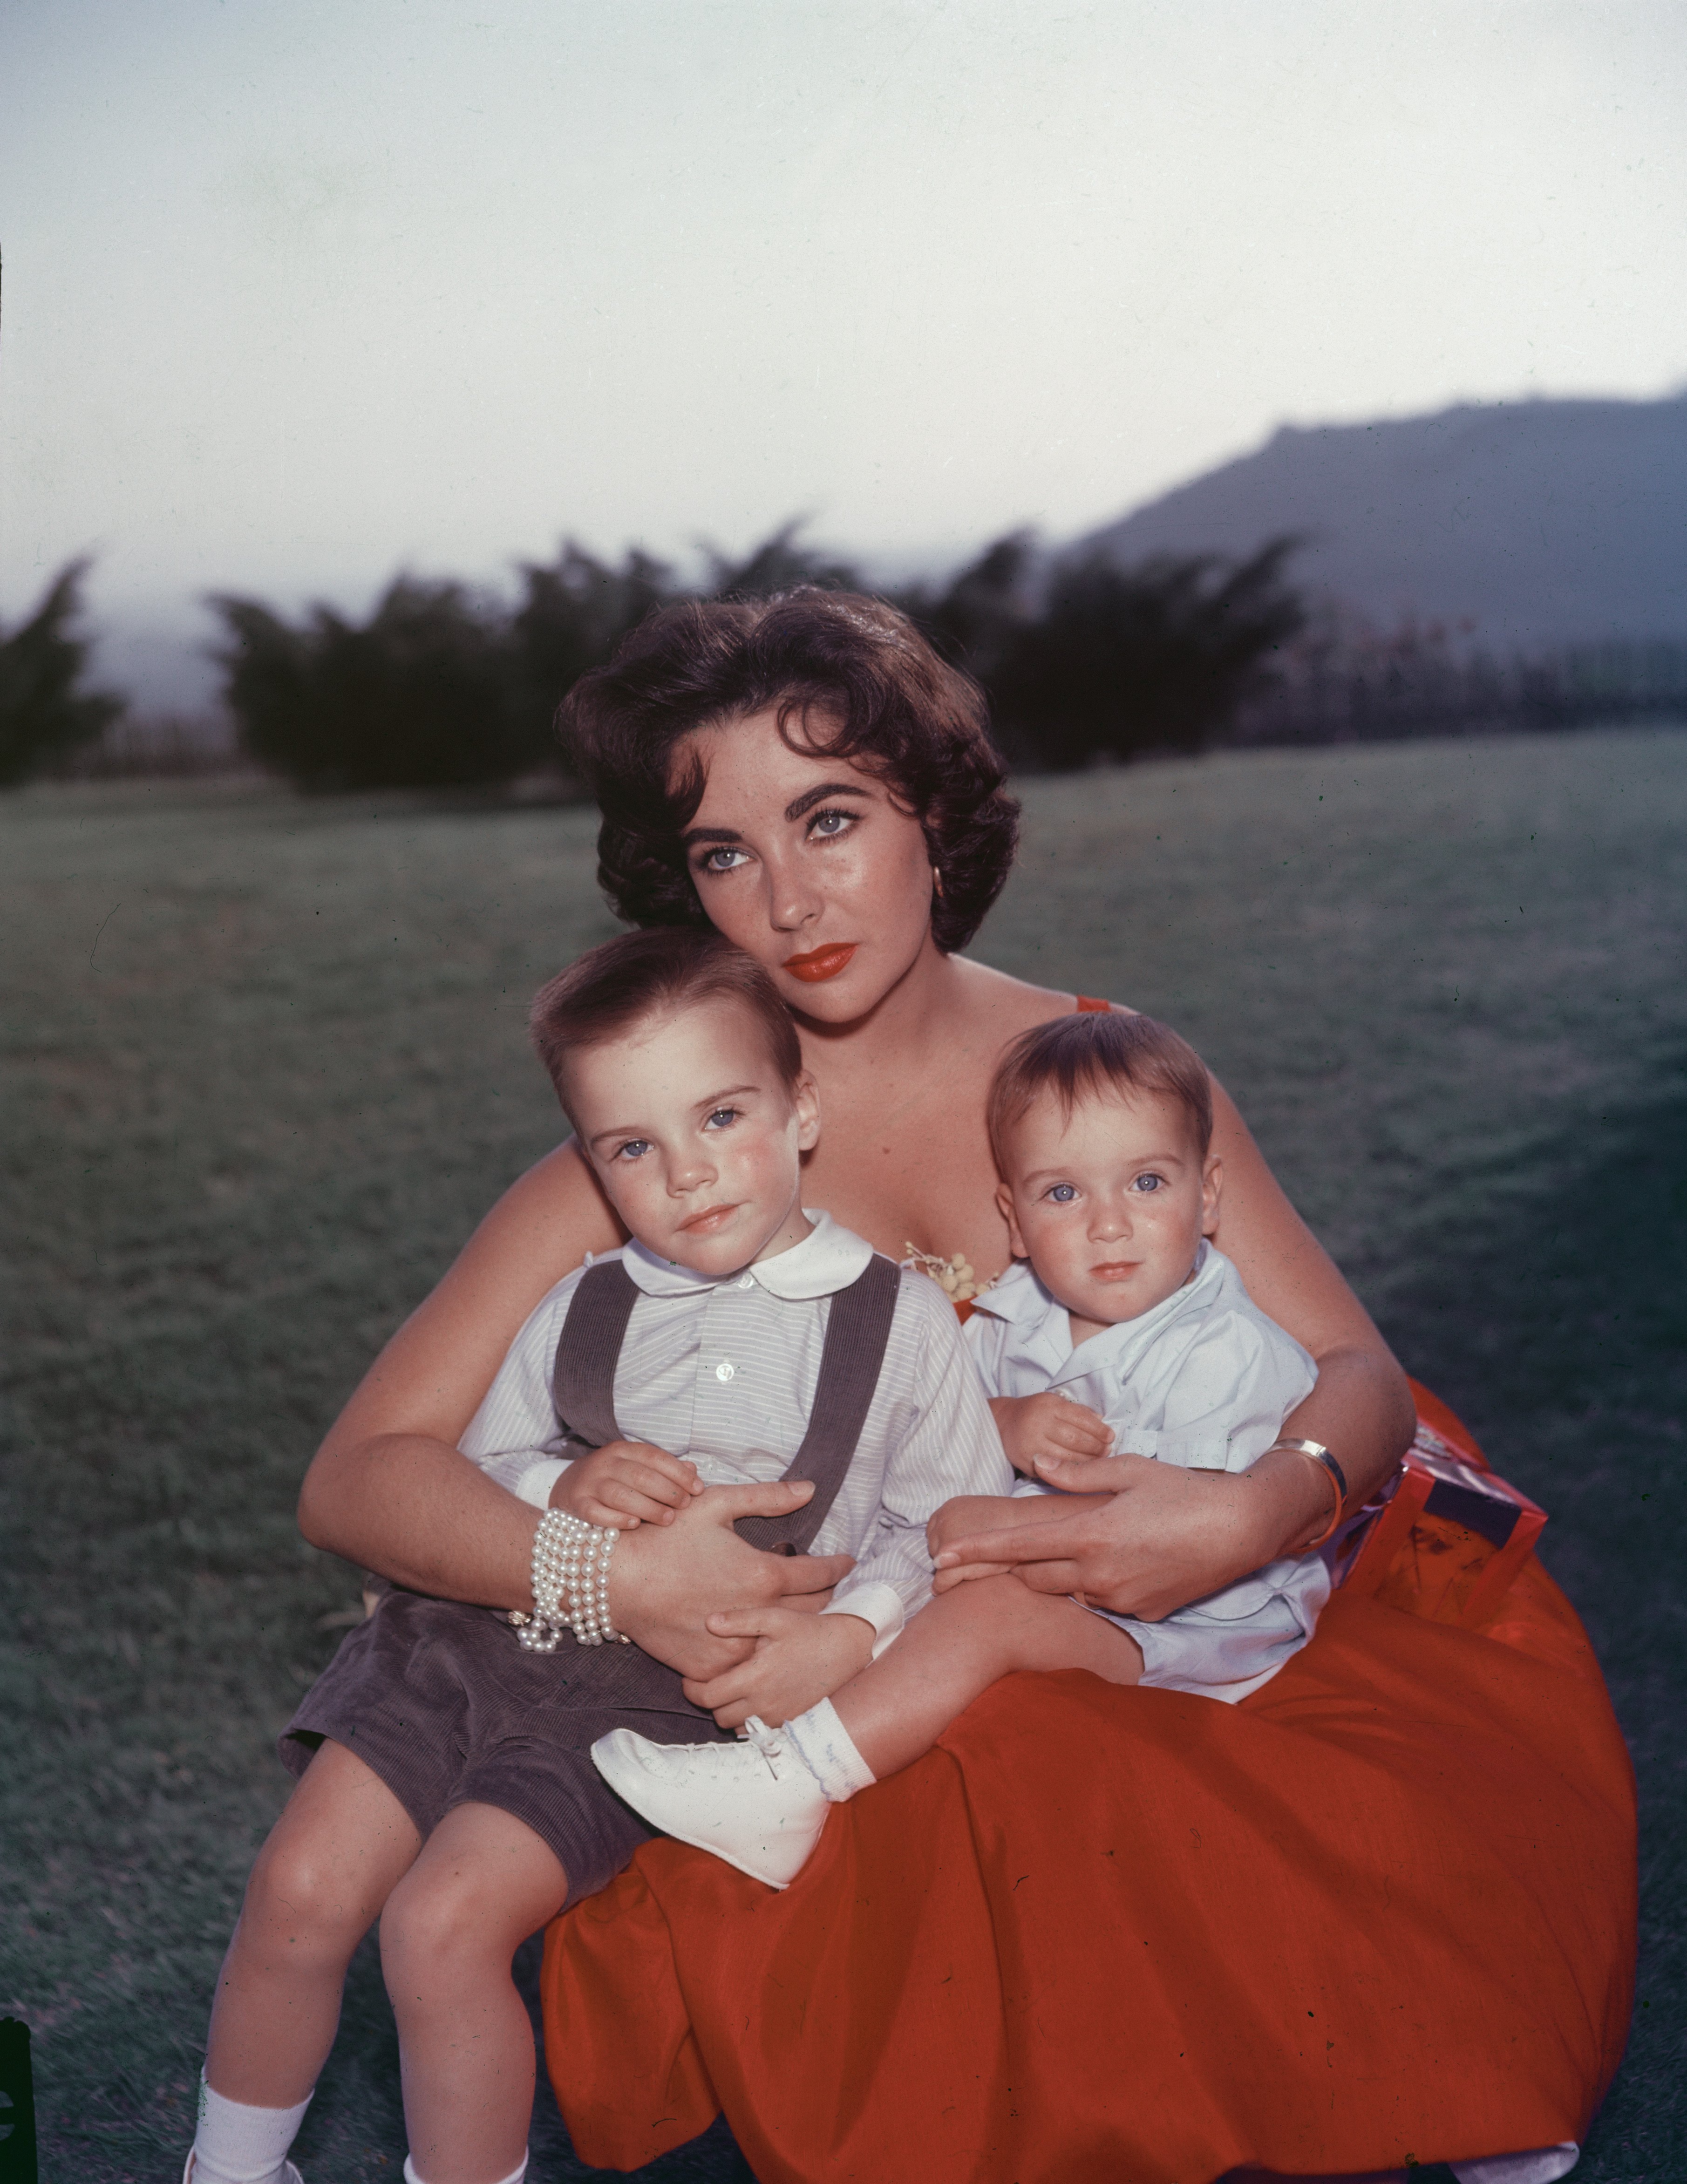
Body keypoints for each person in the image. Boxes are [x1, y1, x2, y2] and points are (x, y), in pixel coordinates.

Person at [293, 591, 1634, 2184]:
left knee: (1319, 1807)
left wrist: (1255, 1510)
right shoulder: (679, 1148)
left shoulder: (1100, 1062)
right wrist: (620, 1574)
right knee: (989, 1759)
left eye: (832, 819)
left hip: (1218, 1527)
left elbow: (1355, 1371)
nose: (790, 899)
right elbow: (361, 1473)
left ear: (934, 812)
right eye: (726, 854)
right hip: (896, 1626)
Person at [186, 926, 1011, 2184]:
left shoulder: (892, 1317)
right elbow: (481, 1459)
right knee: (300, 1887)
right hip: (462, 1639)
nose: (688, 1174)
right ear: (593, 1162)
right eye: (634, 1147)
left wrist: (852, 1630)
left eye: (721, 1115)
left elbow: (941, 1517)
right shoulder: (585, 1299)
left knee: (439, 1925)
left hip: (651, 1696)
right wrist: (559, 1485)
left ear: (801, 1111)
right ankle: (230, 2167)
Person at [594, 1008, 1341, 1884]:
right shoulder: (1008, 1318)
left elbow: (1169, 1539)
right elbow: (930, 1434)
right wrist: (1002, 1423)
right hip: (1041, 1573)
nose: (1107, 1224)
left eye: (1145, 1182)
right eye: (1063, 1194)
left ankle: (789, 1787)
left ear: (1207, 1197)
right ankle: (800, 1681)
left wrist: (985, 1525)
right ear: (1015, 1223)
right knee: (892, 1547)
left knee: (982, 1607)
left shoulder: (1227, 1350)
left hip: (1192, 1627)